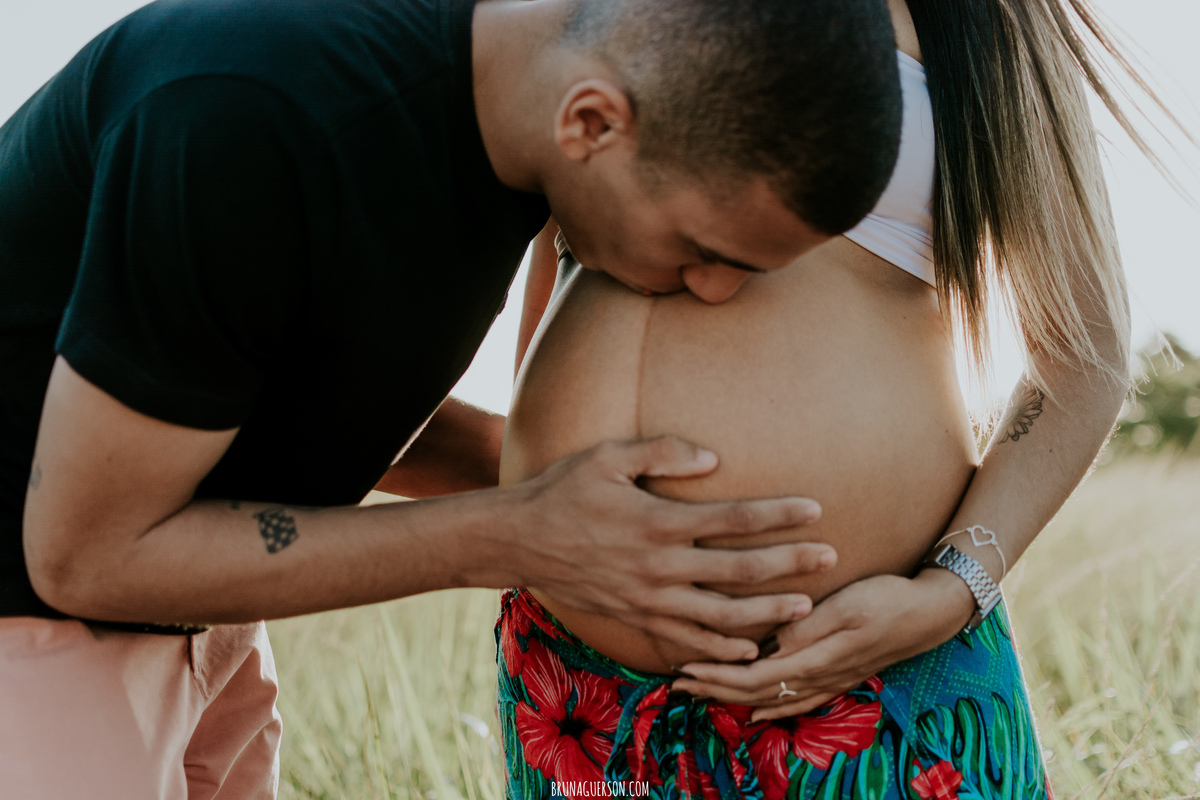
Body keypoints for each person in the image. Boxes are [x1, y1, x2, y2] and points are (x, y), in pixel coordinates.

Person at [0, 0, 904, 796]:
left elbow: (255, 390)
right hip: (37, 627)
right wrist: (519, 533)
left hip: (206, 621)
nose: (713, 288)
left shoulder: (511, 132)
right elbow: (83, 556)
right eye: (707, 248)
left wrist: (598, 504)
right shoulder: (248, 118)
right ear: (593, 122)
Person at [494, 0, 1149, 797]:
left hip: (871, 676)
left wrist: (950, 593)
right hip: (576, 695)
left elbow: (1083, 349)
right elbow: (551, 278)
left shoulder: (991, 17)